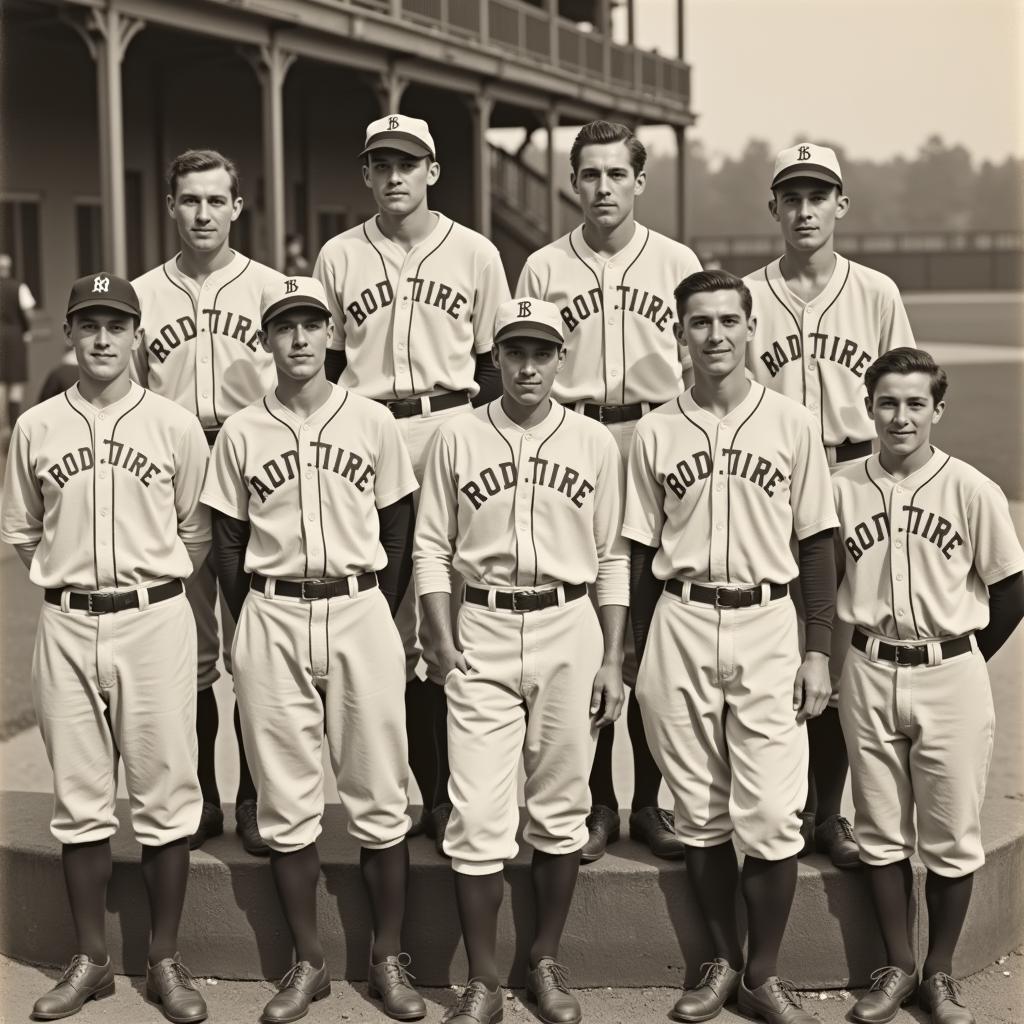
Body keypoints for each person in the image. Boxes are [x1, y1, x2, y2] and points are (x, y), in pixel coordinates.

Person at [201, 276, 426, 1024]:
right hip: (272, 606)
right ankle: (309, 963)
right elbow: (228, 544)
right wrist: (246, 617)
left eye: (310, 324)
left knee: (381, 795)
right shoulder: (241, 430)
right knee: (285, 803)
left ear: (331, 333)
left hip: (359, 604)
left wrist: (384, 610)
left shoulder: (372, 421)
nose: (298, 339)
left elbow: (400, 529)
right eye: (283, 326)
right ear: (265, 339)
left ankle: (387, 957)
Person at [626, 270, 838, 1024]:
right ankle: (723, 962)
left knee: (776, 812)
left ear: (752, 330)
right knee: (700, 810)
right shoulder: (655, 430)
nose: (714, 335)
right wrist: (631, 652)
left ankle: (765, 974)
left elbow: (817, 543)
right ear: (678, 334)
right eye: (698, 323)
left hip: (769, 620)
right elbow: (638, 550)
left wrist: (821, 649)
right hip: (680, 620)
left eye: (727, 321)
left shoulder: (792, 423)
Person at [2, 273, 210, 1024]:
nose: (101, 338)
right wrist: (72, 587)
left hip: (154, 619)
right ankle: (91, 959)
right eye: (88, 324)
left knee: (164, 796)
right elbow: (21, 531)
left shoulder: (174, 424)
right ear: (67, 333)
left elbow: (195, 527)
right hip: (66, 623)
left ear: (136, 336)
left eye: (115, 325)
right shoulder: (37, 426)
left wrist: (135, 587)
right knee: (80, 800)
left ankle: (163, 959)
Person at [415, 297, 628, 1024]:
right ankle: (482, 981)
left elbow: (612, 557)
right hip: (485, 623)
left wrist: (613, 656)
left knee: (562, 808)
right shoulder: (456, 435)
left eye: (541, 351)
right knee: (476, 813)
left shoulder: (595, 441)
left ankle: (542, 959)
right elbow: (430, 549)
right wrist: (438, 638)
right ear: (495, 357)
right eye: (515, 351)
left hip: (571, 625)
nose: (528, 364)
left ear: (560, 357)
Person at [314, 114, 509, 853]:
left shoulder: (476, 253)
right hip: (368, 430)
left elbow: (493, 361)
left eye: (409, 162)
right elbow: (327, 367)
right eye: (380, 163)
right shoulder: (339, 255)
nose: (394, 176)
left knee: (450, 617)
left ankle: (448, 793)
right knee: (381, 609)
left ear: (433, 171)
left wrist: (481, 439)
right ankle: (401, 787)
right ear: (365, 174)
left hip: (451, 421)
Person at [516, 119, 702, 862]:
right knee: (588, 629)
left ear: (639, 181)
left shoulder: (677, 260)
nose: (602, 188)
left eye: (616, 174)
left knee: (652, 631)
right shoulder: (542, 267)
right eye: (589, 174)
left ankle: (650, 798)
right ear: (572, 181)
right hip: (578, 442)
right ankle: (593, 800)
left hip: (655, 439)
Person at [833, 348, 1024, 1024]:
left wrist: (964, 654)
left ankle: (939, 973)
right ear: (870, 408)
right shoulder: (839, 487)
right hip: (867, 668)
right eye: (889, 402)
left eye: (916, 403)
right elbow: (822, 587)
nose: (902, 415)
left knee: (951, 834)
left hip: (951, 672)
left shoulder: (972, 488)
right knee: (882, 830)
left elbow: (1009, 587)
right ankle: (897, 967)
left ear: (937, 409)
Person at [743, 143, 917, 869]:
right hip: (773, 481)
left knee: (846, 639)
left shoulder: (875, 292)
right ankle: (782, 800)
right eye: (792, 195)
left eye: (819, 195)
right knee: (781, 635)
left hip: (851, 473)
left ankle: (829, 809)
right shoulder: (749, 295)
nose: (805, 208)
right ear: (775, 207)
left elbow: (906, 389)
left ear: (841, 205)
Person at [133, 149, 284, 855]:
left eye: (215, 200)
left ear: (237, 207)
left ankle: (257, 797)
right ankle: (199, 799)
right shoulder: (141, 295)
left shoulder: (272, 288)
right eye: (189, 200)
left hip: (254, 471)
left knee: (255, 646)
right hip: (175, 475)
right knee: (186, 647)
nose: (202, 213)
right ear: (171, 206)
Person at [0, 252, 36, 433]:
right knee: (15, 385)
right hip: (14, 338)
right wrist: (27, 330)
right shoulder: (19, 287)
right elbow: (29, 313)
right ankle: (12, 426)